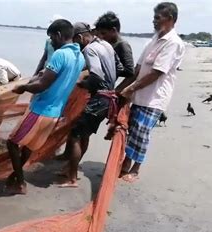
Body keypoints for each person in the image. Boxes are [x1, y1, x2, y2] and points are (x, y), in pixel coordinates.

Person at [5, 19, 85, 194]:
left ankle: (20, 182)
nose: (51, 42)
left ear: (58, 35)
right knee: (30, 145)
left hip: (41, 109)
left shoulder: (60, 55)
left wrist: (23, 88)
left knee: (12, 143)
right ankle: (15, 176)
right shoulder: (79, 57)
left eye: (51, 38)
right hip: (55, 113)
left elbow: (42, 85)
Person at [116, 2, 185, 182]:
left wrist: (130, 88)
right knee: (132, 130)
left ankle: (135, 169)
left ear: (170, 19)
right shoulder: (153, 40)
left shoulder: (173, 43)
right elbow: (138, 69)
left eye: (157, 17)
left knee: (142, 132)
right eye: (153, 17)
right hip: (139, 94)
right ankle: (125, 163)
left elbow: (156, 73)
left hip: (154, 97)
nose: (153, 21)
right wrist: (120, 88)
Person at [60, 22, 119, 188]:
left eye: (76, 42)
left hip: (99, 98)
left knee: (75, 135)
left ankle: (71, 178)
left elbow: (97, 76)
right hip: (108, 98)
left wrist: (81, 84)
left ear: (79, 37)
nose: (77, 46)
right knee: (84, 134)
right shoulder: (106, 44)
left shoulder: (89, 50)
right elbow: (119, 67)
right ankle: (69, 171)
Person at [94, 11, 135, 139]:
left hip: (110, 92)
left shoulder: (122, 45)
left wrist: (117, 90)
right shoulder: (108, 44)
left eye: (103, 33)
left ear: (113, 30)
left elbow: (130, 72)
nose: (101, 36)